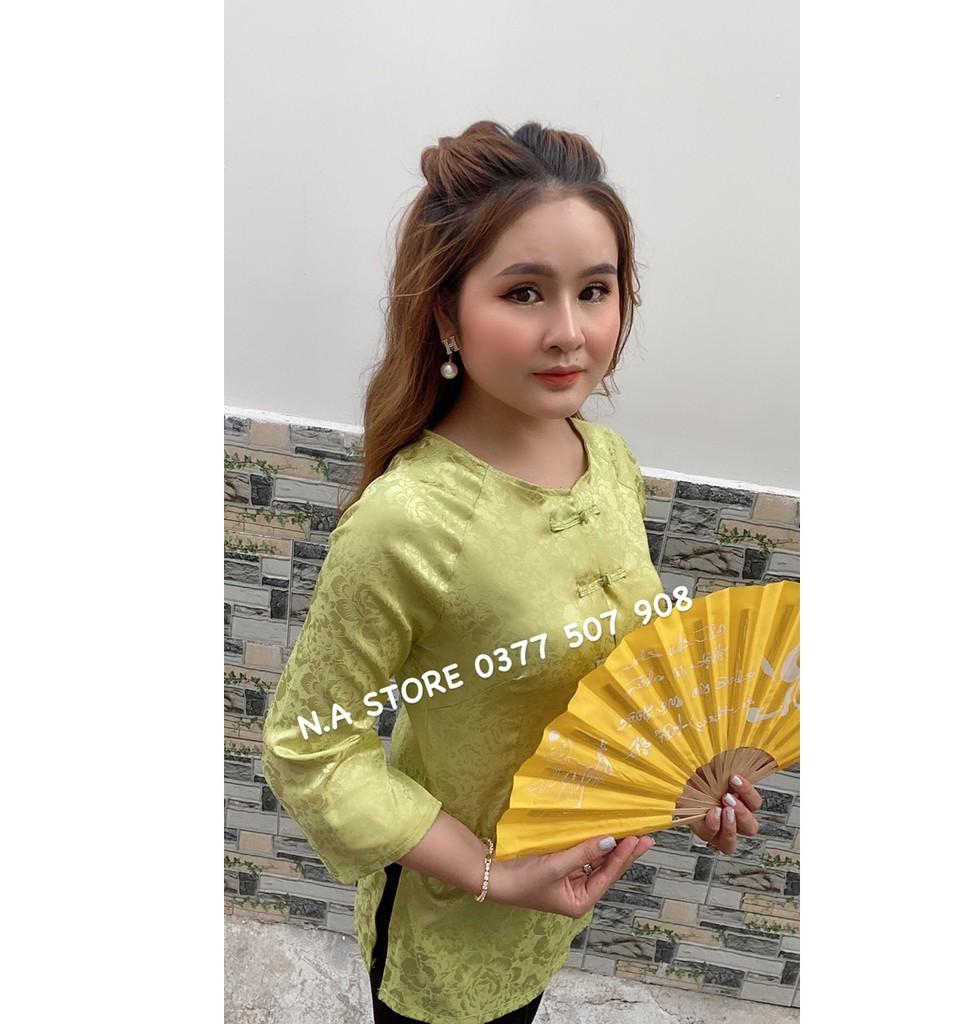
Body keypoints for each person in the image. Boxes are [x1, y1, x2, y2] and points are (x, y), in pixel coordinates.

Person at [260, 120, 762, 1024]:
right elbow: (310, 747)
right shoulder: (408, 523)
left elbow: (620, 664)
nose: (570, 332)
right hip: (449, 922)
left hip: (563, 895)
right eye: (524, 292)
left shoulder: (606, 463)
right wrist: (492, 872)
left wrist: (697, 774)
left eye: (595, 290)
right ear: (446, 313)